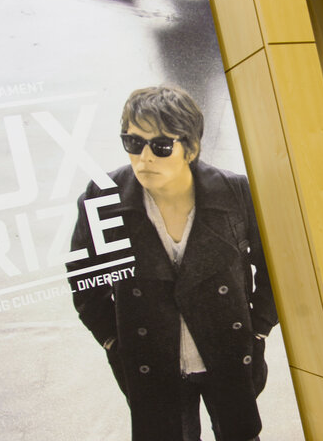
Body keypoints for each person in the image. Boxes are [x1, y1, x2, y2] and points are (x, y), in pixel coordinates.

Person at [66, 85, 277, 441]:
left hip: (228, 353)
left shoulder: (235, 193)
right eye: (133, 143)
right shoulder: (102, 197)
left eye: (160, 146)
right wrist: (112, 341)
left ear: (190, 148)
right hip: (152, 363)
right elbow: (85, 280)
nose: (144, 159)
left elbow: (273, 267)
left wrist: (259, 328)